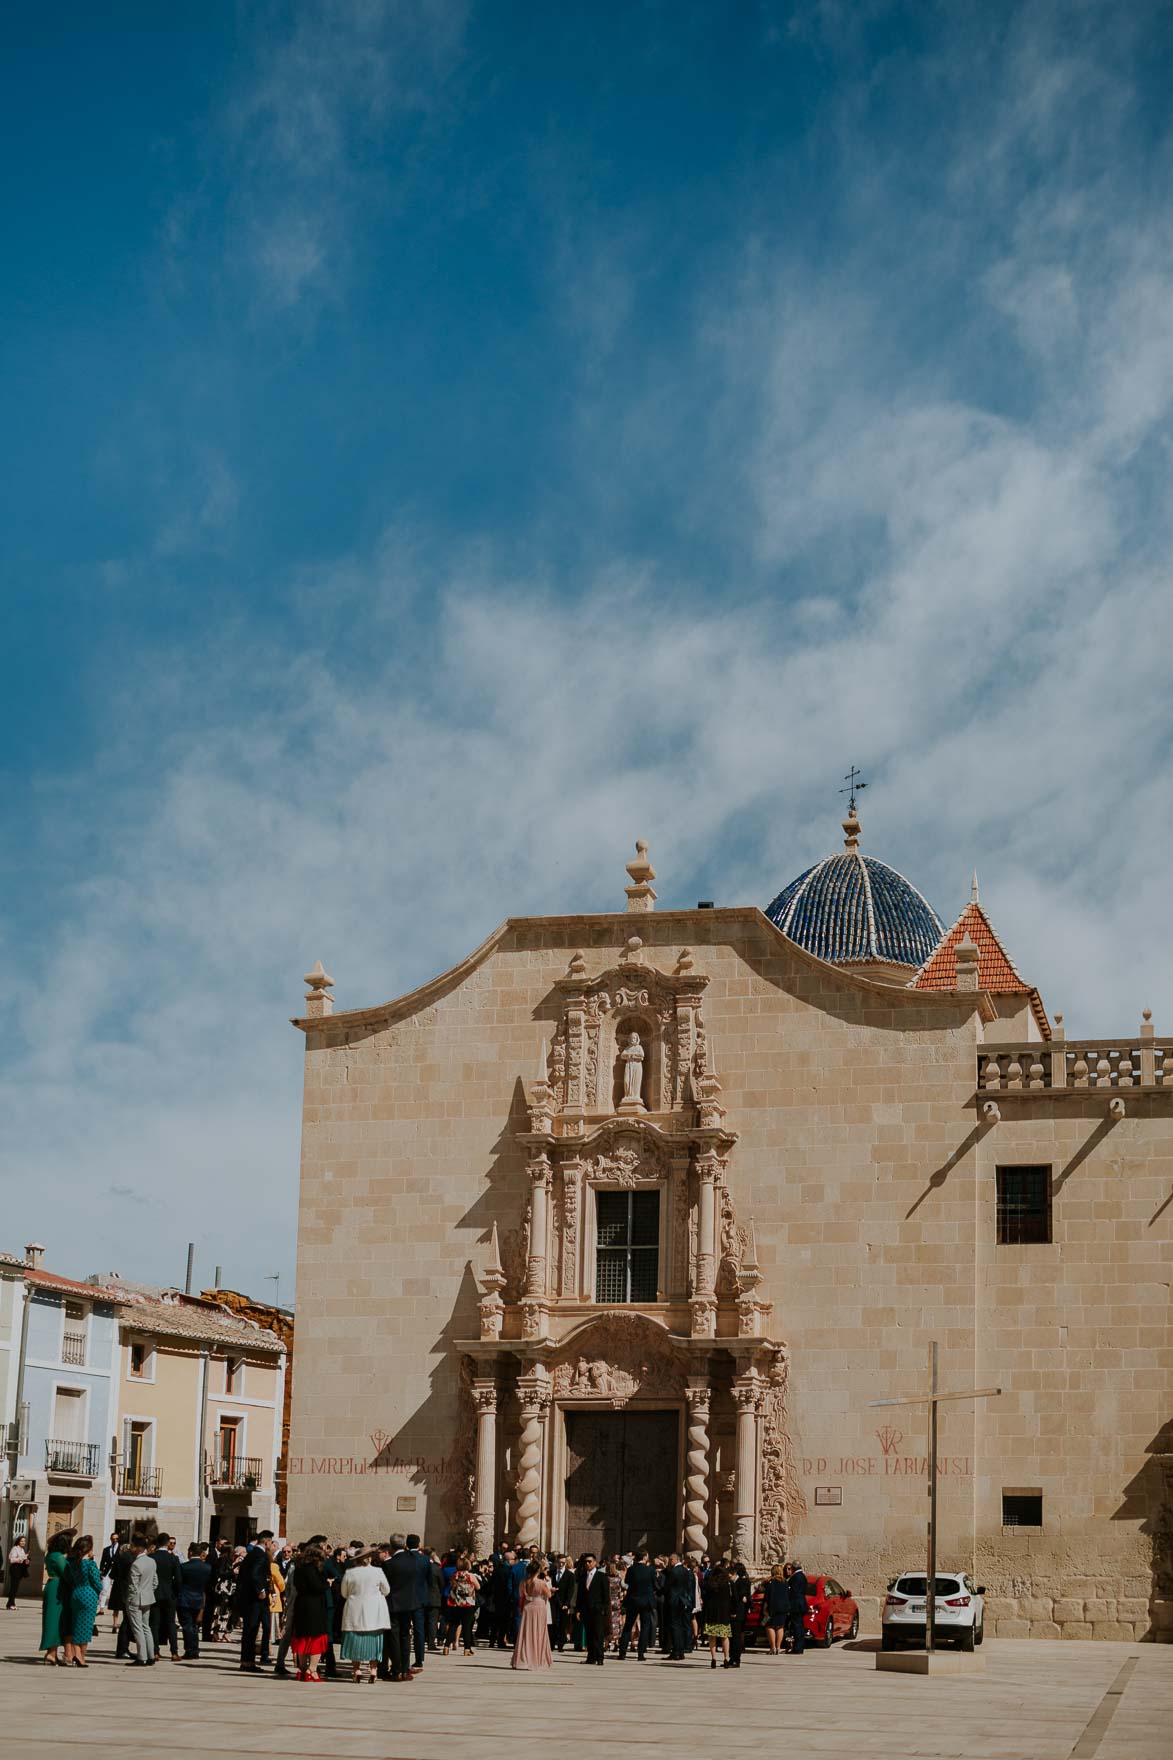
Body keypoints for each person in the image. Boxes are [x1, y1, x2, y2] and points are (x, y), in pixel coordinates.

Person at [340, 1547, 390, 1683]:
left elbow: (344, 1592)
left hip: (354, 1609)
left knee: (354, 1640)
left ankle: (357, 1670)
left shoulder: (350, 1573)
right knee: (374, 1640)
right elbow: (386, 1590)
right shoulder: (378, 1572)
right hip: (374, 1611)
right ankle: (373, 1670)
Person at [289, 1544, 330, 1682]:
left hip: (301, 1604)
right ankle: (312, 1670)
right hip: (314, 1606)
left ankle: (302, 1669)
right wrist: (327, 1584)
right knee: (315, 1637)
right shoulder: (311, 1569)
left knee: (303, 1637)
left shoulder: (298, 1568)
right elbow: (317, 1587)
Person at [382, 1533, 420, 1681]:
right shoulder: (414, 1561)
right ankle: (405, 1669)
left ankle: (396, 1670)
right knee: (405, 1636)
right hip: (410, 1603)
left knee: (394, 1637)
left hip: (393, 1604)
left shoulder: (389, 1564)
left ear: (391, 1546)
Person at [60, 1535, 101, 1667]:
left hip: (76, 1594)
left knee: (77, 1624)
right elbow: (97, 1583)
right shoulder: (90, 1564)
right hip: (89, 1595)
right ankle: (80, 1656)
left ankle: (75, 1653)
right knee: (86, 1627)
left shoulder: (73, 1564)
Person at [236, 1534, 274, 1671]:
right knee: (251, 1629)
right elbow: (255, 1573)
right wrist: (261, 1590)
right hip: (255, 1599)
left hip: (248, 1598)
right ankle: (247, 1662)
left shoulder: (252, 1554)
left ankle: (247, 1661)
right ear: (267, 1542)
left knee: (250, 1630)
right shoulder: (259, 1555)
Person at [511, 1559, 553, 1671]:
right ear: (538, 1570)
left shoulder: (523, 1582)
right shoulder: (541, 1583)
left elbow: (521, 1595)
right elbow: (548, 1595)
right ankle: (536, 1659)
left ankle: (523, 1659)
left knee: (525, 1633)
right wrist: (552, 1590)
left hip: (527, 1606)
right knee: (539, 1633)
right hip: (539, 1606)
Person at [617, 1547, 657, 1661]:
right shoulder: (650, 1570)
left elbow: (628, 1582)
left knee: (628, 1626)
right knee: (645, 1627)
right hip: (646, 1601)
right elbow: (655, 1585)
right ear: (645, 1557)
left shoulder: (632, 1569)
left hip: (633, 1600)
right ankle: (641, 1653)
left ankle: (622, 1652)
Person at [124, 1534, 158, 1665]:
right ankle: (150, 1656)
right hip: (148, 1598)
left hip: (136, 1599)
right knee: (146, 1627)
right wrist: (148, 1592)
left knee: (138, 1628)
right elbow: (155, 1581)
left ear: (138, 1548)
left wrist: (130, 1599)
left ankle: (142, 1657)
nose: (131, 1548)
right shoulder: (152, 1561)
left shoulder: (136, 1564)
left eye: (133, 1546)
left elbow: (133, 1586)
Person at [40, 1532, 70, 1665]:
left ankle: (52, 1652)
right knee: (55, 1621)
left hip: (52, 1586)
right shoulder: (58, 1557)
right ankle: (51, 1653)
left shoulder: (50, 1555)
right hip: (57, 1588)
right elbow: (66, 1572)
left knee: (53, 1619)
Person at [178, 1543, 212, 1660]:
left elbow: (178, 1583)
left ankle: (190, 1650)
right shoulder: (207, 1568)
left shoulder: (184, 1567)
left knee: (187, 1626)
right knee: (194, 1626)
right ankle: (195, 1650)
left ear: (191, 1552)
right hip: (199, 1599)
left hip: (185, 1599)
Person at [442, 1550, 480, 1655]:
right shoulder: (470, 1576)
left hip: (455, 1602)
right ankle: (467, 1649)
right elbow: (478, 1587)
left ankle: (446, 1646)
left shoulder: (454, 1575)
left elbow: (452, 1586)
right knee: (467, 1626)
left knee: (453, 1624)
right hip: (468, 1603)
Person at [152, 1534, 182, 1661]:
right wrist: (175, 1592)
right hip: (169, 1594)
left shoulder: (151, 1557)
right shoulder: (173, 1559)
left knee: (154, 1623)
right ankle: (174, 1652)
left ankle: (155, 1651)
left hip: (154, 1593)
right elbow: (179, 1579)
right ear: (167, 1543)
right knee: (171, 1623)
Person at [701, 1561, 733, 1669]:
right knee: (725, 1637)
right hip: (723, 1613)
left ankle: (713, 1658)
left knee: (712, 1637)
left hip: (712, 1613)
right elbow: (730, 1598)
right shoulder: (726, 1584)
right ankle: (726, 1658)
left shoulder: (710, 1584)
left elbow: (705, 1596)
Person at [578, 1553, 608, 1666]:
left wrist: (603, 1608)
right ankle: (591, 1657)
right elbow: (580, 1595)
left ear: (595, 1562)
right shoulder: (582, 1577)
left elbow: (606, 1595)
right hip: (586, 1610)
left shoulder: (601, 1576)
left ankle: (600, 1657)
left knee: (598, 1635)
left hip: (597, 1610)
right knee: (589, 1635)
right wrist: (578, 1610)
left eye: (590, 1561)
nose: (587, 1564)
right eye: (586, 1562)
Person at [663, 1553, 693, 1660]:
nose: (670, 1561)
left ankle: (676, 1651)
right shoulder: (685, 1570)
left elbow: (667, 1587)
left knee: (674, 1626)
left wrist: (660, 1592)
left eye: (671, 1559)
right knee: (679, 1626)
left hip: (674, 1601)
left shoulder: (674, 1572)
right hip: (682, 1601)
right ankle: (680, 1650)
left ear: (677, 1559)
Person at [762, 1563, 790, 1655]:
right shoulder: (785, 1582)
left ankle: (773, 1647)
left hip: (773, 1607)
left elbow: (767, 1597)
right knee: (780, 1626)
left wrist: (765, 1608)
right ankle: (778, 1647)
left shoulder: (770, 1583)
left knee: (770, 1626)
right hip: (783, 1607)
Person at [550, 1554, 575, 1650]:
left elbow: (570, 1590)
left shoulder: (570, 1575)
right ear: (556, 1562)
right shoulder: (551, 1573)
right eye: (559, 1562)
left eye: (563, 1563)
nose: (561, 1565)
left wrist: (567, 1603)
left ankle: (561, 1643)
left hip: (563, 1603)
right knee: (552, 1623)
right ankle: (552, 1643)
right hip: (553, 1601)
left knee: (562, 1623)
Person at [729, 1559, 750, 1667]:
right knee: (732, 1637)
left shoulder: (742, 1582)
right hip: (735, 1612)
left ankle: (736, 1659)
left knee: (736, 1637)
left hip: (738, 1613)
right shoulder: (736, 1582)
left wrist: (734, 1612)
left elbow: (738, 1598)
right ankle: (732, 1658)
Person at [787, 1559, 809, 1657]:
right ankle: (800, 1646)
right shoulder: (802, 1576)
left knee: (797, 1626)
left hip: (796, 1604)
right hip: (801, 1603)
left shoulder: (796, 1577)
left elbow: (793, 1592)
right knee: (800, 1625)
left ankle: (798, 1647)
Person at [5, 1537, 29, 1608]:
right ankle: (11, 1604)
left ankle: (11, 1603)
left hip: (20, 1570)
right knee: (13, 1587)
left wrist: (26, 1561)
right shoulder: (15, 1548)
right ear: (18, 1541)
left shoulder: (22, 1550)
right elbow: (12, 1560)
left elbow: (23, 1560)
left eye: (24, 1541)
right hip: (15, 1569)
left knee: (15, 1588)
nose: (23, 1542)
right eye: (21, 1541)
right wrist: (22, 1558)